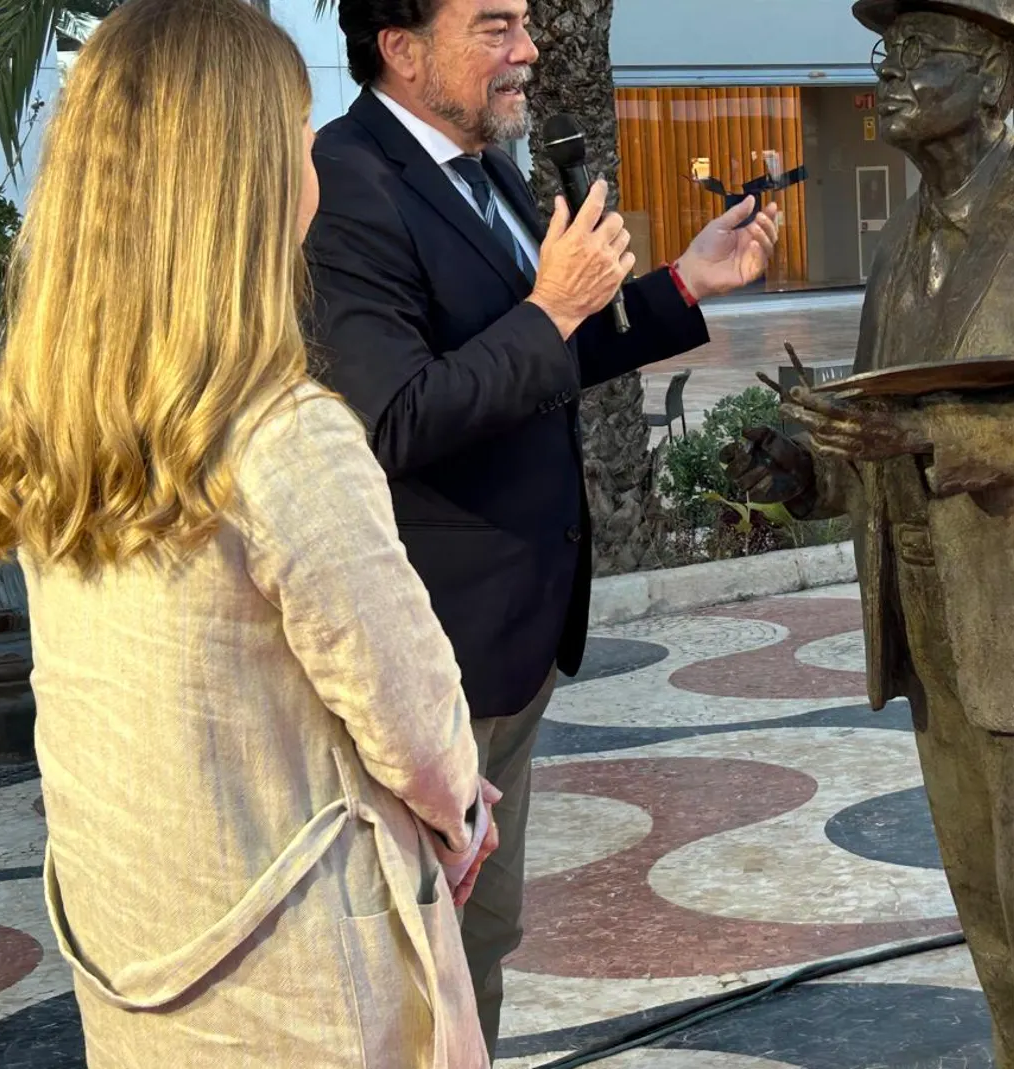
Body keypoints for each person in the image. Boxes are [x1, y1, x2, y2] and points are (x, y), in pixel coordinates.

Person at [0, 1, 492, 1065]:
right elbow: (412, 711)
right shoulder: (283, 437)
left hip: (134, 947)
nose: (317, 166)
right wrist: (460, 808)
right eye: (300, 139)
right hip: (295, 979)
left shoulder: (59, 417)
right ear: (241, 181)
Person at [305, 0, 780, 1050]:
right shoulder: (346, 186)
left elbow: (544, 362)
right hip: (434, 647)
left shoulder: (485, 169)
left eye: (523, 22)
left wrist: (681, 285)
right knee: (421, 953)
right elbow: (394, 419)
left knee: (482, 932)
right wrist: (550, 308)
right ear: (400, 46)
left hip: (516, 639)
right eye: (495, 25)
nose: (528, 49)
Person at [725, 1, 1014, 1064]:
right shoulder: (904, 243)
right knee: (991, 915)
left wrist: (930, 432)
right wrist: (804, 468)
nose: (890, 72)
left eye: (922, 54)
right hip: (939, 623)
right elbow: (893, 437)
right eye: (891, 50)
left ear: (995, 84)